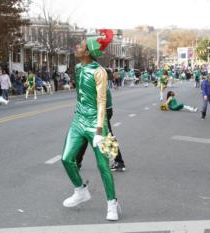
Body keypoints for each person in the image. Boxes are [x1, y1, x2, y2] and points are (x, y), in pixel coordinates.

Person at [61, 29, 121, 221]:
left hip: (97, 124)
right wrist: (79, 118)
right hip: (78, 120)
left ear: (88, 52)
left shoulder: (100, 72)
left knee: (103, 165)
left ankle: (112, 203)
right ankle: (81, 191)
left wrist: (98, 130)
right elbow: (81, 97)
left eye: (81, 46)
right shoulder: (78, 68)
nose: (77, 47)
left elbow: (102, 101)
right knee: (66, 159)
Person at [76, 86, 126, 172]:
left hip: (97, 112)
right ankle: (77, 162)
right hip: (105, 110)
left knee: (89, 136)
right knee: (100, 136)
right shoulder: (100, 79)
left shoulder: (91, 83)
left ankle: (119, 162)